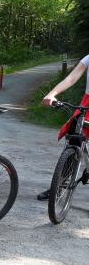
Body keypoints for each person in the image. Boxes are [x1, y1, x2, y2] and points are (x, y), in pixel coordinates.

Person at [36, 55, 89, 200]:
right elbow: (71, 78)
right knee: (74, 138)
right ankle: (58, 185)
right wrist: (52, 94)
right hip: (87, 103)